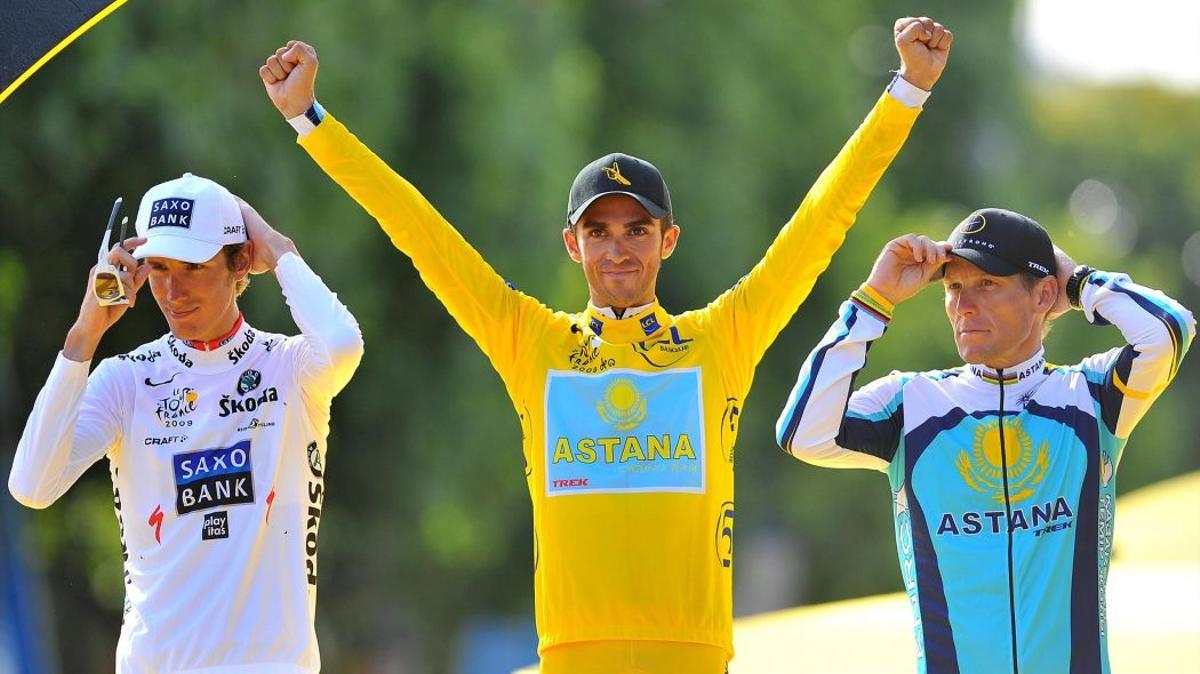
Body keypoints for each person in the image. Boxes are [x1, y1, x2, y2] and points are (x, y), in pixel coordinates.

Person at [259, 17, 951, 673]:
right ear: (573, 243)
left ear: (668, 240)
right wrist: (309, 121)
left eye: (636, 230)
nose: (617, 249)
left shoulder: (720, 338)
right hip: (571, 654)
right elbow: (417, 228)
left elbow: (822, 221)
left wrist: (908, 91)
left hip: (693, 653)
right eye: (599, 232)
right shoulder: (530, 338)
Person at [776, 208, 1194, 673]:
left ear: (1043, 295)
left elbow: (1170, 330)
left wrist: (1078, 282)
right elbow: (802, 431)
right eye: (954, 287)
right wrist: (874, 300)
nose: (964, 305)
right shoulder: (909, 402)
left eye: (987, 284)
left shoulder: (1090, 397)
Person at [9, 173, 364, 674]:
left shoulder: (291, 368)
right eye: (158, 268)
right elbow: (31, 485)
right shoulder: (125, 380)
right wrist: (84, 334)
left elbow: (344, 343)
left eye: (193, 267)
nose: (173, 290)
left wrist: (277, 246)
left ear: (240, 261)